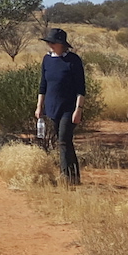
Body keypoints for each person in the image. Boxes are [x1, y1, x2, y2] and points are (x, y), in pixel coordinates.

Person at [34, 28, 85, 184]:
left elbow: (81, 88)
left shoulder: (73, 60)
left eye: (53, 42)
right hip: (52, 107)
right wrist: (39, 106)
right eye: (49, 42)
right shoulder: (47, 59)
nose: (50, 45)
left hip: (69, 108)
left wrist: (78, 109)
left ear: (62, 44)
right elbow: (43, 85)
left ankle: (66, 176)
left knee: (63, 139)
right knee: (64, 141)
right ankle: (73, 177)